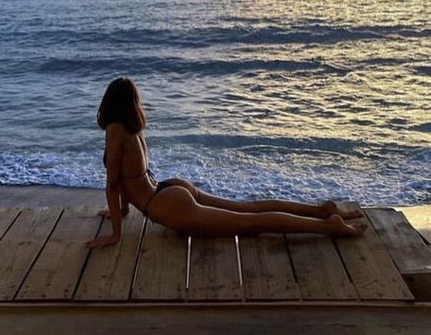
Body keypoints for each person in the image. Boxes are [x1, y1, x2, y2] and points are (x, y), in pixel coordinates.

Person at [85, 77, 367, 249]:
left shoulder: (115, 130)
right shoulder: (134, 130)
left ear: (108, 103)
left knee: (251, 223)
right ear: (133, 103)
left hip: (165, 204)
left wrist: (115, 236)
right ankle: (321, 211)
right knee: (250, 210)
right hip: (169, 188)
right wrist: (120, 211)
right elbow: (125, 178)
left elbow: (113, 184)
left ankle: (328, 225)